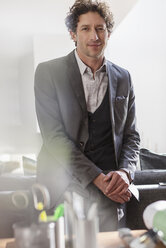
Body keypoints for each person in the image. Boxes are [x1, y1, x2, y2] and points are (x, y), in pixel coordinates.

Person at [34, 0, 140, 231]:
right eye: (85, 28)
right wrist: (97, 179)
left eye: (100, 28)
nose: (94, 36)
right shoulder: (48, 73)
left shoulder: (124, 78)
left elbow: (131, 136)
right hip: (63, 187)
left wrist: (124, 172)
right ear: (73, 34)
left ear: (108, 33)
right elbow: (54, 137)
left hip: (111, 191)